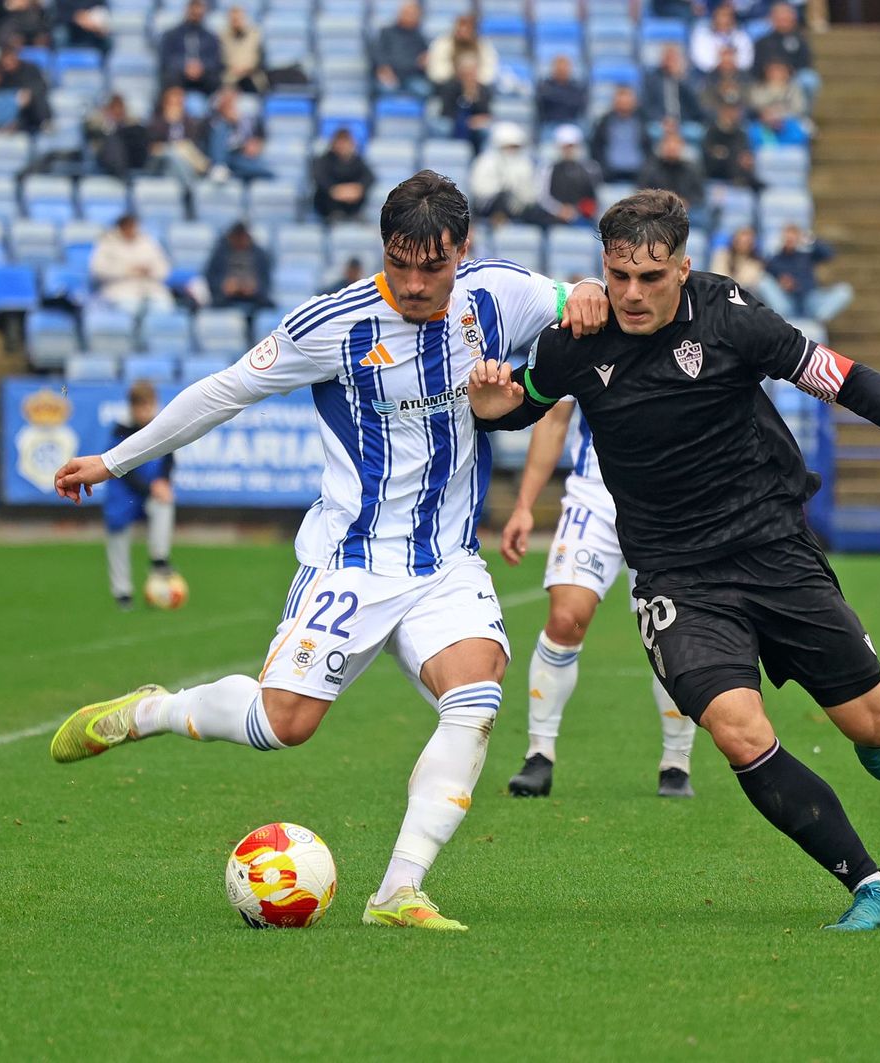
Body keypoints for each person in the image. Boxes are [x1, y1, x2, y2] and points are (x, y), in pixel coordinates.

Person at [46, 171, 610, 933]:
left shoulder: (496, 294)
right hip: (352, 558)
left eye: (433, 267)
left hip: (446, 560)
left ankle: (399, 890)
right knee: (283, 724)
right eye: (399, 264)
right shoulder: (333, 323)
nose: (415, 284)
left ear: (463, 250)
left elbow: (576, 296)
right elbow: (223, 390)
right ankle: (152, 710)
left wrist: (586, 289)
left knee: (476, 697)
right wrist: (115, 461)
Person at [470, 189, 880, 932]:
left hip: (771, 546)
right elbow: (523, 404)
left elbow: (831, 372)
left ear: (683, 268)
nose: (631, 294)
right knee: (739, 730)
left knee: (870, 725)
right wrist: (491, 405)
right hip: (674, 573)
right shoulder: (576, 338)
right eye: (618, 276)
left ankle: (879, 716)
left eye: (651, 277)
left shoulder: (731, 316)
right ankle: (872, 886)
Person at [499, 399, 698, 799]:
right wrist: (523, 506)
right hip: (594, 499)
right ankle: (539, 754)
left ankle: (676, 762)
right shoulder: (579, 352)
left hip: (672, 505)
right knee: (566, 619)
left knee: (673, 631)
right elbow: (554, 419)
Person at [103, 380, 175, 610]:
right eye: (141, 406)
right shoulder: (120, 431)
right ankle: (122, 593)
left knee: (164, 503)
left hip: (150, 487)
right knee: (118, 536)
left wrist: (163, 482)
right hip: (124, 491)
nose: (146, 411)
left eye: (149, 405)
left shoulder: (161, 425)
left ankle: (159, 559)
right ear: (132, 408)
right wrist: (151, 488)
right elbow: (122, 470)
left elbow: (169, 457)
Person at [767, 224, 852, 322]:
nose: (790, 240)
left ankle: (818, 318)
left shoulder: (806, 256)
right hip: (787, 301)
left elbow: (829, 254)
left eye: (793, 237)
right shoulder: (775, 260)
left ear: (798, 238)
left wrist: (811, 240)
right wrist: (781, 284)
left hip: (810, 299)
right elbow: (770, 283)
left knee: (844, 290)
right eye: (788, 237)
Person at [90, 213, 172, 314]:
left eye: (134, 227)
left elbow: (164, 268)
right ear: (121, 228)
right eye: (128, 227)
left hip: (150, 287)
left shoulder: (148, 242)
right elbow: (98, 269)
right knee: (130, 307)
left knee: (163, 306)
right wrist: (128, 270)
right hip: (119, 288)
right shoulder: (107, 243)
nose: (132, 230)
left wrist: (150, 270)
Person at [469, 121, 548, 225]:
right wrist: (502, 188)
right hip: (489, 204)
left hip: (518, 206)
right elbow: (478, 188)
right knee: (502, 197)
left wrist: (517, 194)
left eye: (515, 147)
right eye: (509, 146)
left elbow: (531, 193)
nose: (512, 150)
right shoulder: (485, 161)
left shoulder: (525, 164)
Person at [637, 129, 708, 226]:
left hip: (687, 212)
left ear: (682, 146)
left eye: (675, 143)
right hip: (656, 212)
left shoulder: (692, 169)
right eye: (668, 143)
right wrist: (661, 202)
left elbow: (699, 195)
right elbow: (641, 192)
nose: (671, 147)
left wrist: (687, 202)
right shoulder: (650, 168)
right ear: (661, 146)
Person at [753, 2, 819, 104]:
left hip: (792, 79)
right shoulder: (762, 42)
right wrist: (772, 73)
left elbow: (806, 64)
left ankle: (802, 112)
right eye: (780, 18)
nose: (783, 21)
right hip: (767, 81)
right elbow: (757, 67)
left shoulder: (801, 40)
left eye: (786, 18)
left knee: (809, 79)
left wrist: (786, 73)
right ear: (772, 20)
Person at [710, 226, 790, 310]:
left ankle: (782, 311)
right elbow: (718, 277)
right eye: (741, 241)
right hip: (724, 296)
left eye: (748, 242)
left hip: (745, 296)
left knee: (764, 282)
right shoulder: (722, 255)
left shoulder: (756, 262)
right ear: (734, 240)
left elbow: (750, 281)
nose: (744, 244)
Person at [535, 124, 600, 226]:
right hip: (553, 218)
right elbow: (543, 197)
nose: (569, 150)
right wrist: (559, 210)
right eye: (565, 147)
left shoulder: (591, 168)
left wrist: (578, 211)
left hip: (583, 218)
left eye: (572, 146)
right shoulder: (547, 169)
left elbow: (594, 196)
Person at [310, 126, 374, 221]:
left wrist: (357, 189)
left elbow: (369, 177)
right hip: (328, 206)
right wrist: (334, 190)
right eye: (340, 142)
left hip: (352, 203)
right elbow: (319, 177)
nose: (343, 146)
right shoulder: (324, 160)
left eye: (346, 143)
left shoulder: (357, 161)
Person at [159, 0, 223, 95]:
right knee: (170, 78)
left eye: (199, 12)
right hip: (180, 75)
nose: (196, 14)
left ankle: (212, 104)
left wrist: (201, 66)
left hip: (203, 76)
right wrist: (185, 66)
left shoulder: (211, 37)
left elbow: (215, 60)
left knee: (216, 80)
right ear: (187, 10)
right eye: (193, 11)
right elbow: (167, 59)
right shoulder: (171, 35)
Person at [204, 221, 272, 312]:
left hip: (254, 298)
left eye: (242, 237)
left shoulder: (259, 254)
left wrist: (255, 287)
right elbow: (209, 277)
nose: (240, 241)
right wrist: (223, 285)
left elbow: (266, 281)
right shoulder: (220, 253)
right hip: (225, 298)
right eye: (237, 237)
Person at [148, 85, 209, 182]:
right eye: (172, 104)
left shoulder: (187, 121)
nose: (176, 107)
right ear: (165, 104)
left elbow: (193, 140)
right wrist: (169, 122)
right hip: (160, 155)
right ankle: (205, 170)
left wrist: (178, 122)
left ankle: (201, 172)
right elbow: (153, 145)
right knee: (181, 148)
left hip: (182, 156)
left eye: (179, 104)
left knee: (184, 148)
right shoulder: (157, 120)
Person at [590, 85, 651, 183]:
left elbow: (648, 147)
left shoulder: (642, 121)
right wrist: (603, 167)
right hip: (609, 172)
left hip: (638, 172)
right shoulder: (604, 122)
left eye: (627, 101)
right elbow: (596, 147)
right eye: (621, 101)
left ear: (634, 102)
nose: (624, 104)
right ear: (614, 102)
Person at [206, 90, 271, 181]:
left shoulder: (248, 121)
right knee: (221, 128)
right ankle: (220, 167)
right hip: (220, 157)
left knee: (263, 171)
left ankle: (230, 173)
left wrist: (255, 144)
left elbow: (259, 137)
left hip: (239, 157)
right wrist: (229, 122)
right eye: (229, 107)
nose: (233, 109)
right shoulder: (216, 122)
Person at [434, 55, 493, 152]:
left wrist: (473, 96)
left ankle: (479, 156)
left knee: (484, 131)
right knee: (444, 127)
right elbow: (446, 111)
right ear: (460, 73)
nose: (470, 76)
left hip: (474, 126)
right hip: (454, 122)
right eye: (467, 73)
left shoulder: (483, 89)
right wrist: (465, 120)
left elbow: (486, 113)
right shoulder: (450, 87)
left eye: (472, 72)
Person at [641, 44, 705, 130]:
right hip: (660, 122)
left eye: (673, 58)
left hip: (685, 122)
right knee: (653, 130)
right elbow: (647, 106)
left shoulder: (689, 78)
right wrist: (662, 119)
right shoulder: (652, 79)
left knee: (696, 131)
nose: (670, 62)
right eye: (667, 58)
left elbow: (695, 105)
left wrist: (680, 78)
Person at [373, 1, 429, 96]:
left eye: (414, 14)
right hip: (390, 75)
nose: (411, 16)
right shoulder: (387, 32)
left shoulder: (419, 36)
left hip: (413, 76)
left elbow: (424, 57)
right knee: (387, 89)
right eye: (408, 13)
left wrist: (425, 60)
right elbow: (378, 53)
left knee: (424, 90)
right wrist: (384, 69)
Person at [426, 13, 496, 88]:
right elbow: (436, 70)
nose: (463, 32)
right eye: (460, 28)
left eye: (467, 29)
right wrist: (458, 74)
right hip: (449, 84)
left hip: (477, 84)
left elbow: (490, 70)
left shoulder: (483, 45)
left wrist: (472, 76)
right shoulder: (443, 43)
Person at [701, 100, 761, 188]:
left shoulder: (741, 134)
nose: (732, 114)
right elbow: (709, 158)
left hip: (740, 182)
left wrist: (747, 161)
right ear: (721, 111)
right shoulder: (712, 132)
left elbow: (746, 156)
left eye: (735, 110)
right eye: (729, 110)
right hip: (717, 181)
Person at [89, 93, 149, 178]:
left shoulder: (131, 122)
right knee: (112, 140)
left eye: (120, 108)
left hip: (129, 156)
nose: (117, 111)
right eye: (113, 108)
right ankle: (121, 174)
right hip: (104, 158)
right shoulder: (97, 122)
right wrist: (108, 124)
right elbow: (93, 132)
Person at [690, 2, 755, 73]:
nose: (725, 19)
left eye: (728, 16)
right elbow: (702, 62)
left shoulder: (741, 36)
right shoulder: (702, 34)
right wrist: (723, 60)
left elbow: (746, 62)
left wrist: (729, 61)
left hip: (737, 74)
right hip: (707, 74)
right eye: (721, 15)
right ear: (714, 17)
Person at [218, 6, 264, 94]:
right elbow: (219, 59)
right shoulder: (222, 37)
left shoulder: (255, 35)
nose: (236, 22)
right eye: (233, 19)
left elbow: (261, 59)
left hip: (252, 77)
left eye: (238, 19)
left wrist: (247, 69)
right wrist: (232, 68)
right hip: (230, 77)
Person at [535, 55, 587, 129]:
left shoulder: (576, 86)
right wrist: (566, 97)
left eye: (564, 68)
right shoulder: (545, 85)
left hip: (571, 122)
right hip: (550, 122)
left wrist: (555, 96)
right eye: (559, 69)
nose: (562, 71)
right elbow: (542, 103)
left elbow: (578, 104)